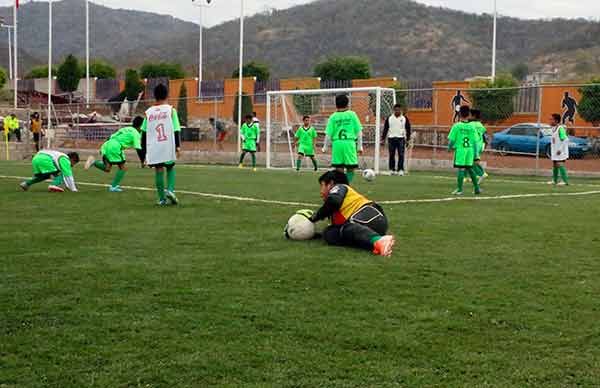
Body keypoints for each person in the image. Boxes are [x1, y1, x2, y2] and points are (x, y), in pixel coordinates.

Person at [304, 170, 395, 257]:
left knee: (344, 228)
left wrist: (315, 217)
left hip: (366, 215)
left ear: (330, 184)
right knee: (330, 233)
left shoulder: (340, 187)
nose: (320, 192)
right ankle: (374, 241)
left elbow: (334, 201)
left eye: (322, 185)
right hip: (376, 221)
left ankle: (378, 240)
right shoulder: (339, 207)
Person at [139, 84, 182, 206]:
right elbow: (176, 129)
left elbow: (144, 133)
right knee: (170, 167)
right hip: (168, 144)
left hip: (155, 146)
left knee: (158, 170)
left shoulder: (149, 113)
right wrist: (178, 146)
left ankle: (162, 199)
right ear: (167, 95)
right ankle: (170, 190)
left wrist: (144, 153)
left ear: (154, 96)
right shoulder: (171, 110)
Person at [84, 116, 145, 192]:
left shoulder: (125, 129)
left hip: (107, 144)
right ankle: (114, 186)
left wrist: (106, 148)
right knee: (123, 168)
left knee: (107, 168)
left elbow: (111, 136)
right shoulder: (136, 133)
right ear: (141, 125)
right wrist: (143, 160)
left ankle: (94, 162)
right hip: (116, 147)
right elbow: (138, 148)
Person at [322, 94, 363, 183]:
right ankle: (347, 186)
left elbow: (328, 134)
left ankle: (340, 186)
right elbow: (359, 131)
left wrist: (325, 147)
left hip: (337, 144)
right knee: (350, 168)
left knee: (339, 168)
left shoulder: (333, 116)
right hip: (349, 143)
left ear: (336, 104)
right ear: (347, 103)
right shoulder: (352, 114)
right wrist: (360, 146)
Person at [448, 106, 480, 195]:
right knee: (470, 169)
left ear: (459, 114)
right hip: (470, 150)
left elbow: (452, 140)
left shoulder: (457, 126)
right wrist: (476, 155)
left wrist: (449, 148)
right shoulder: (472, 127)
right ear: (469, 114)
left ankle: (459, 189)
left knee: (461, 169)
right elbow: (475, 142)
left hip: (461, 150)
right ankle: (476, 188)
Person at [382, 104, 411, 176]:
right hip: (391, 138)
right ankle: (392, 169)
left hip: (401, 138)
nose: (397, 111)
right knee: (391, 154)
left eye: (399, 110)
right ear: (394, 110)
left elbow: (408, 129)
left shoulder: (404, 118)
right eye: (396, 110)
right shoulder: (389, 118)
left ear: (401, 110)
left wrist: (408, 139)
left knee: (401, 154)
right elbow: (385, 129)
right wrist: (383, 138)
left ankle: (400, 169)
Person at [548, 113, 570, 186]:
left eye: (551, 119)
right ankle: (554, 180)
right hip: (555, 151)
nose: (550, 121)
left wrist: (560, 149)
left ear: (556, 121)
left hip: (561, 151)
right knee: (554, 164)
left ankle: (565, 181)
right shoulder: (553, 129)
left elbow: (565, 140)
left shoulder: (560, 128)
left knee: (560, 164)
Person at [469, 109, 489, 184]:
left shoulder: (471, 124)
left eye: (470, 114)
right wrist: (485, 144)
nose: (469, 116)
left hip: (473, 145)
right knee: (474, 161)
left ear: (473, 116)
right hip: (480, 144)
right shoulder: (480, 125)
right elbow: (485, 135)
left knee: (470, 162)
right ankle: (477, 174)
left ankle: (481, 174)